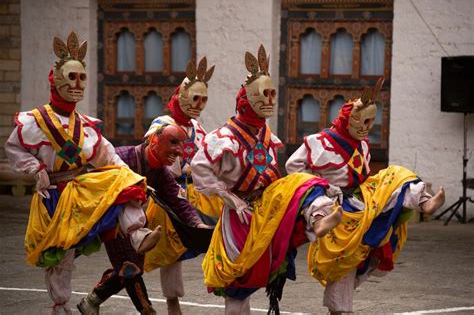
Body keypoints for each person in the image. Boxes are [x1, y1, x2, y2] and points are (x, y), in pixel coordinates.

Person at [4, 31, 161, 315]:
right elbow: (14, 149)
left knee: (119, 178)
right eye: (71, 77)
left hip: (82, 191)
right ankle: (61, 306)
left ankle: (137, 233)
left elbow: (109, 158)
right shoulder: (34, 121)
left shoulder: (87, 126)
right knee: (61, 259)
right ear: (57, 80)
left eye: (82, 77)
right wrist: (35, 169)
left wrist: (137, 182)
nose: (77, 83)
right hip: (53, 194)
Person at [191, 45, 343, 315]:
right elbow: (199, 167)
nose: (271, 100)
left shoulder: (265, 133)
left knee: (303, 185)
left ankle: (319, 219)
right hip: (239, 215)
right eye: (265, 94)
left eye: (273, 93)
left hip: (267, 205)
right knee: (238, 288)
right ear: (247, 99)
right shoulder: (223, 137)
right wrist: (227, 196)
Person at [285, 77, 445, 315]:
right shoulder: (319, 142)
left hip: (361, 201)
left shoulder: (362, 145)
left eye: (371, 121)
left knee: (395, 176)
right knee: (345, 261)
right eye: (363, 121)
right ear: (349, 119)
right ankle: (320, 224)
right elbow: (292, 166)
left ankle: (423, 201)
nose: (367, 126)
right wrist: (319, 186)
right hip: (334, 206)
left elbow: (364, 174)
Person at [78, 124, 209, 315]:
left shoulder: (162, 173)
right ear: (154, 140)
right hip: (111, 219)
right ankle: (147, 310)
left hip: (135, 223)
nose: (179, 151)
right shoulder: (121, 157)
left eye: (181, 145)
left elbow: (178, 202)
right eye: (173, 142)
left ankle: (93, 300)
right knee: (130, 267)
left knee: (131, 267)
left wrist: (197, 224)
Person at [143, 57, 221, 315]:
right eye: (194, 98)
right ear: (181, 96)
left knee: (218, 233)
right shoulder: (161, 123)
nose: (199, 105)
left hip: (197, 193)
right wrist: (176, 164)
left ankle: (225, 284)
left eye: (203, 100)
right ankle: (172, 301)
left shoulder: (198, 128)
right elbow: (151, 151)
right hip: (169, 192)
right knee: (170, 252)